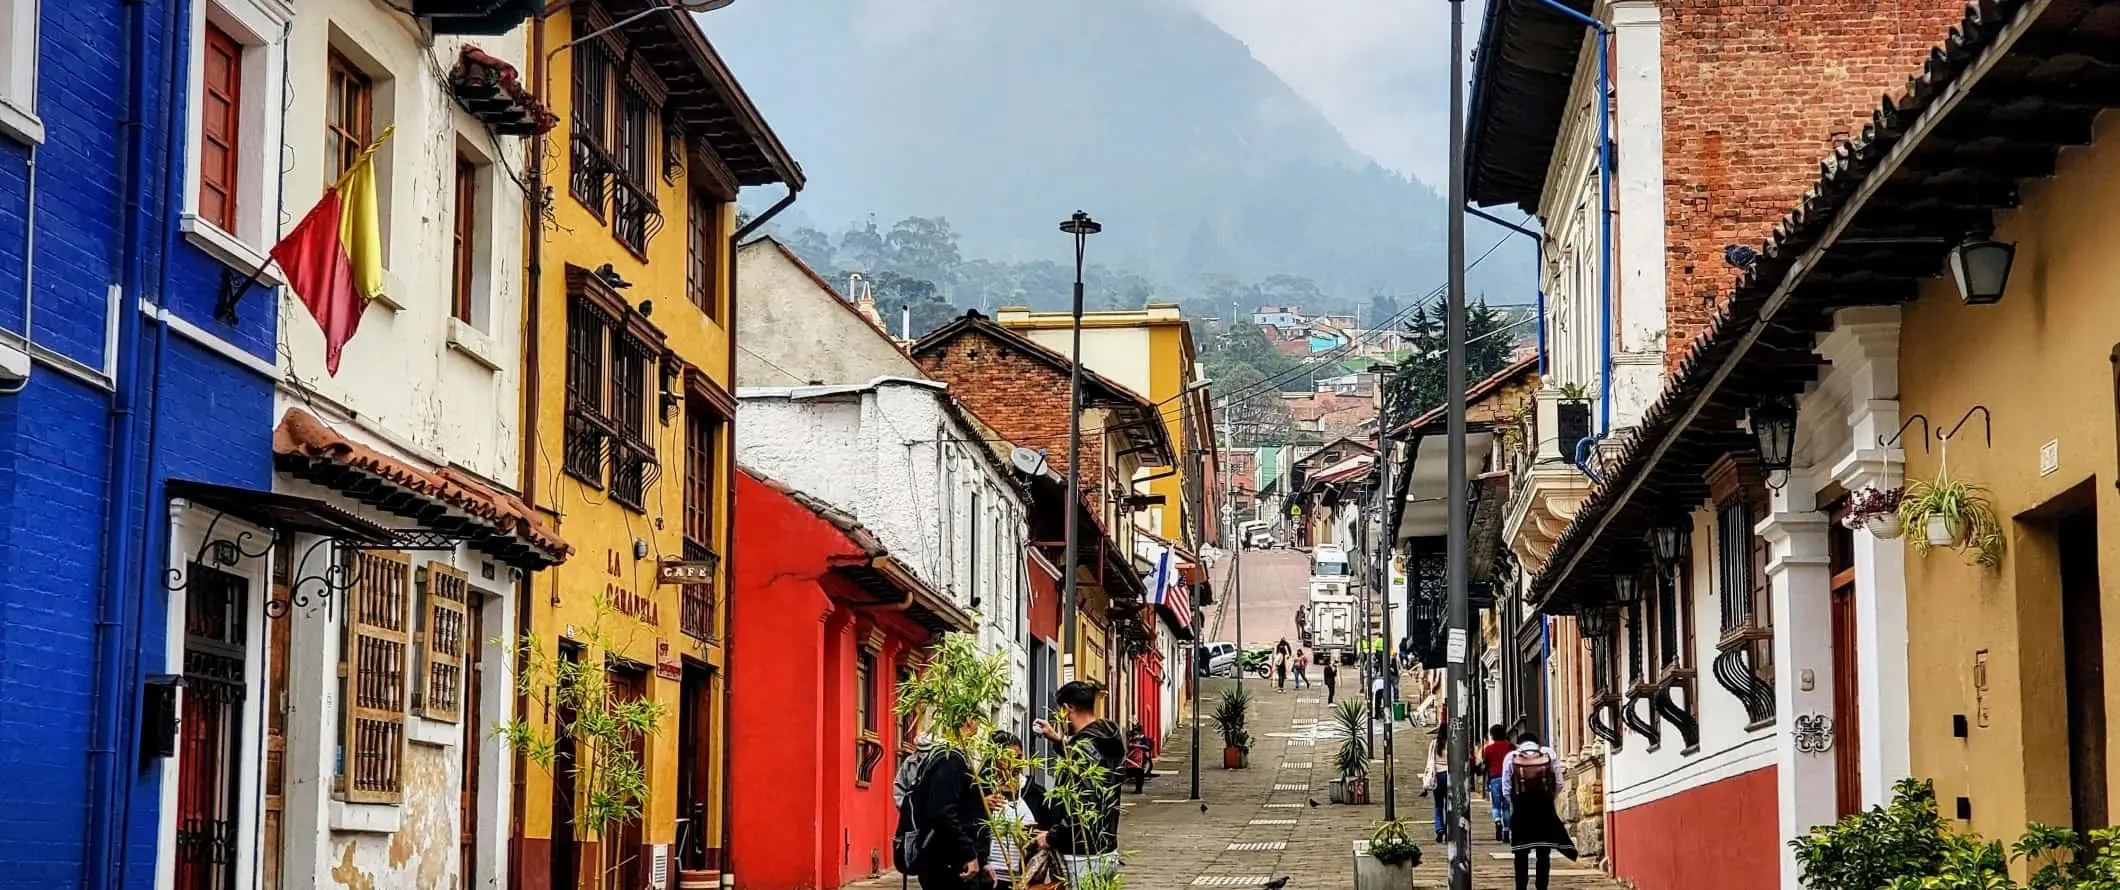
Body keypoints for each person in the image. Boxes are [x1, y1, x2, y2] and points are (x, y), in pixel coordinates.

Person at [1034, 681, 1126, 881]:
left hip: (1081, 853)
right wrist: (1060, 741)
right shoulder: (1109, 739)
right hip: (1105, 848)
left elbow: (1084, 807)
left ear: (1068, 709)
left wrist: (1051, 837)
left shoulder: (1082, 750)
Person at [901, 716, 992, 889]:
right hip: (949, 862)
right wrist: (967, 853)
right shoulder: (950, 759)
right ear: (969, 721)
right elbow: (943, 812)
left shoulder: (945, 757)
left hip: (945, 858)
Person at [1501, 730, 1579, 890]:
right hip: (1544, 809)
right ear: (1537, 743)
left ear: (1519, 744)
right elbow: (1559, 783)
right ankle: (1541, 886)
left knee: (1520, 853)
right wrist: (1549, 799)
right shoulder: (1548, 753)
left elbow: (1505, 789)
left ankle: (1521, 886)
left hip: (1521, 811)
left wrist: (1516, 802)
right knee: (1543, 853)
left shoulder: (1511, 757)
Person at [985, 731, 1050, 890]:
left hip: (1025, 880)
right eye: (1009, 757)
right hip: (986, 878)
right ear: (995, 758)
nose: (1015, 764)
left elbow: (1049, 834)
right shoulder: (981, 792)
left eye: (1019, 757)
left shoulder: (1035, 793)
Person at [1481, 725, 1517, 841]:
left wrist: (1486, 780)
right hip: (1508, 778)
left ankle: (1497, 821)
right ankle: (1506, 830)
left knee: (1496, 805)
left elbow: (1486, 765)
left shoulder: (1489, 749)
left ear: (1492, 735)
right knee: (1506, 806)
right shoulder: (1510, 747)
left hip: (1494, 778)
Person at [1420, 727, 1449, 843]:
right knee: (1449, 805)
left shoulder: (1434, 744)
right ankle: (1448, 828)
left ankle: (1439, 828)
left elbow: (1429, 761)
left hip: (1437, 776)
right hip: (1449, 776)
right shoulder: (1452, 743)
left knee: (1438, 805)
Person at [1121, 724, 1154, 794]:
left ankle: (1139, 789)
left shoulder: (1143, 738)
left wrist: (1137, 745)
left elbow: (1147, 747)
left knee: (1139, 775)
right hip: (1130, 760)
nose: (1135, 734)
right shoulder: (1130, 738)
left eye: (1136, 732)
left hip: (1139, 761)